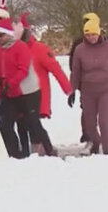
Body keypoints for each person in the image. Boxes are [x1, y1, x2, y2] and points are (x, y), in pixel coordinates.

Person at [69, 13, 108, 155]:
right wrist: (72, 91)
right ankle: (96, 143)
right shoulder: (80, 49)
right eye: (88, 35)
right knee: (90, 124)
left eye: (93, 34)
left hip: (106, 89)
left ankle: (107, 151)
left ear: (98, 33)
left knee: (105, 122)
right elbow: (75, 72)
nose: (91, 37)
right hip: (88, 90)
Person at [0, 17, 55, 158]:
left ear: (9, 34)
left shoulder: (21, 47)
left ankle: (48, 149)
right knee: (6, 123)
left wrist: (10, 83)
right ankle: (15, 153)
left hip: (28, 92)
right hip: (10, 93)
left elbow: (23, 70)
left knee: (32, 122)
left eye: (1, 35)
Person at [14, 16, 72, 156]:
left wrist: (68, 90)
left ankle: (45, 149)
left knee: (33, 124)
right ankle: (26, 153)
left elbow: (56, 69)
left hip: (37, 94)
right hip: (18, 94)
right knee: (22, 124)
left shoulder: (39, 49)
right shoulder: (12, 49)